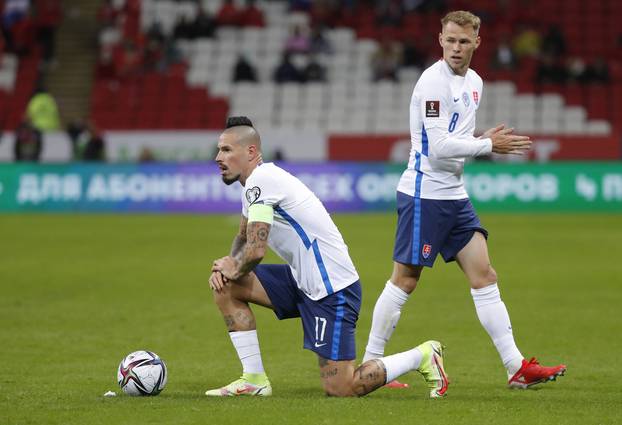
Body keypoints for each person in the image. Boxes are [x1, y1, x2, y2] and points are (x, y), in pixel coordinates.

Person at [362, 10, 566, 390]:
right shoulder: (432, 82)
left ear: (477, 42)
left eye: (464, 41)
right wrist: (488, 144)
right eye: (450, 40)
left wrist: (478, 137)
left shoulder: (474, 81)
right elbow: (438, 147)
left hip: (454, 195)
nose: (456, 48)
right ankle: (371, 364)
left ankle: (515, 367)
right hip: (424, 193)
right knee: (405, 280)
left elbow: (456, 135)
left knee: (484, 275)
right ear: (440, 39)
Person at [205, 116, 450, 398]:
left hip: (333, 289)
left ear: (250, 152)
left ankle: (421, 356)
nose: (217, 157)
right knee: (226, 285)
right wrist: (228, 267)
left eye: (225, 150)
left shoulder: (262, 181)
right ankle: (254, 379)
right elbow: (244, 238)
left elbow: (256, 250)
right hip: (302, 281)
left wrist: (233, 268)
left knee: (342, 387)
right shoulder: (254, 186)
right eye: (218, 150)